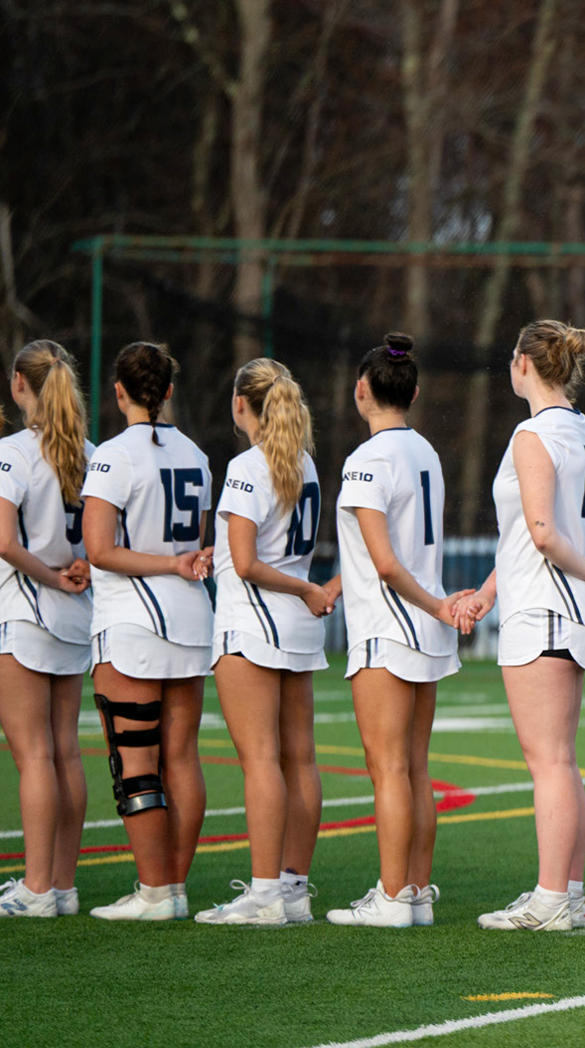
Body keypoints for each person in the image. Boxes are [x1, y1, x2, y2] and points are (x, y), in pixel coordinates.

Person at [454, 321, 585, 931]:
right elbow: (528, 537)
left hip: (548, 608)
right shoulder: (577, 430)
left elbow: (540, 532)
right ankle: (568, 894)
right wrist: (484, 594)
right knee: (561, 759)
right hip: (562, 604)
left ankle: (552, 898)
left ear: (525, 365)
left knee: (549, 762)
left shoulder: (533, 433)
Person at [325, 334, 472, 928]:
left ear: (362, 391)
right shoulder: (425, 451)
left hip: (391, 626)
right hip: (423, 628)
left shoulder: (366, 460)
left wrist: (436, 606)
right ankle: (413, 892)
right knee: (414, 766)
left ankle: (391, 898)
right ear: (412, 392)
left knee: (388, 767)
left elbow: (386, 562)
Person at [194, 359, 333, 926]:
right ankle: (293, 889)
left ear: (240, 405)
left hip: (254, 625)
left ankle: (263, 893)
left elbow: (249, 563)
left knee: (259, 762)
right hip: (294, 625)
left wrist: (300, 585)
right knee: (299, 756)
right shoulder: (306, 464)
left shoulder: (248, 465)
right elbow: (250, 552)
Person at [82, 342, 214, 921]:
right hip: (191, 619)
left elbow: (100, 550)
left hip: (134, 622)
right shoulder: (197, 453)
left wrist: (161, 563)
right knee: (182, 757)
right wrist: (173, 563)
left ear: (118, 391)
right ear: (167, 390)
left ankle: (155, 892)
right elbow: (193, 543)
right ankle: (174, 889)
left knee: (134, 763)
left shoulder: (112, 454)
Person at [0, 342, 93, 918]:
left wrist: (55, 580)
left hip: (28, 611)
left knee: (33, 754)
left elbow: (6, 544)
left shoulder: (13, 451)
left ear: (19, 385)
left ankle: (36, 890)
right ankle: (61, 885)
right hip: (74, 618)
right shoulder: (88, 450)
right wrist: (72, 574)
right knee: (64, 752)